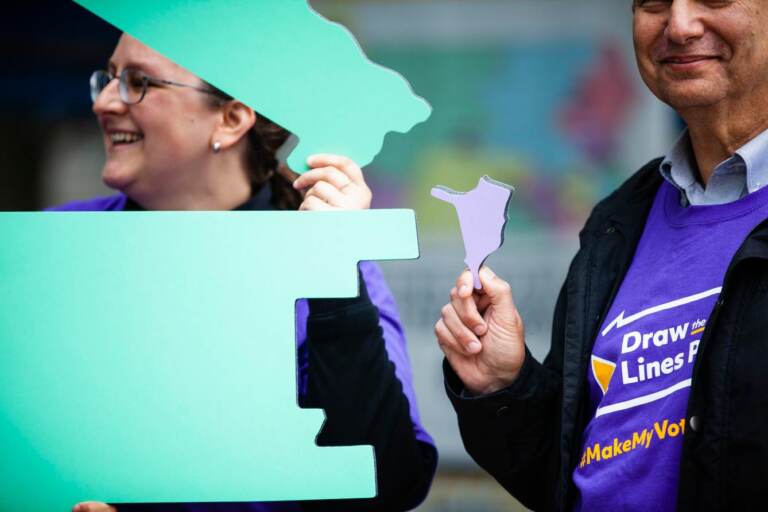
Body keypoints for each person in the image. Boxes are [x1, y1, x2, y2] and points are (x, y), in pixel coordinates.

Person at [55, 33, 435, 511]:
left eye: (138, 82)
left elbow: (385, 484)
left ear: (232, 119)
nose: (106, 102)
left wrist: (335, 279)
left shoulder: (324, 264)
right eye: (108, 79)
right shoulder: (57, 247)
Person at [435, 1, 768, 511]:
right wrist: (505, 385)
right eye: (653, 3)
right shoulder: (621, 218)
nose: (679, 25)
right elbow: (573, 472)